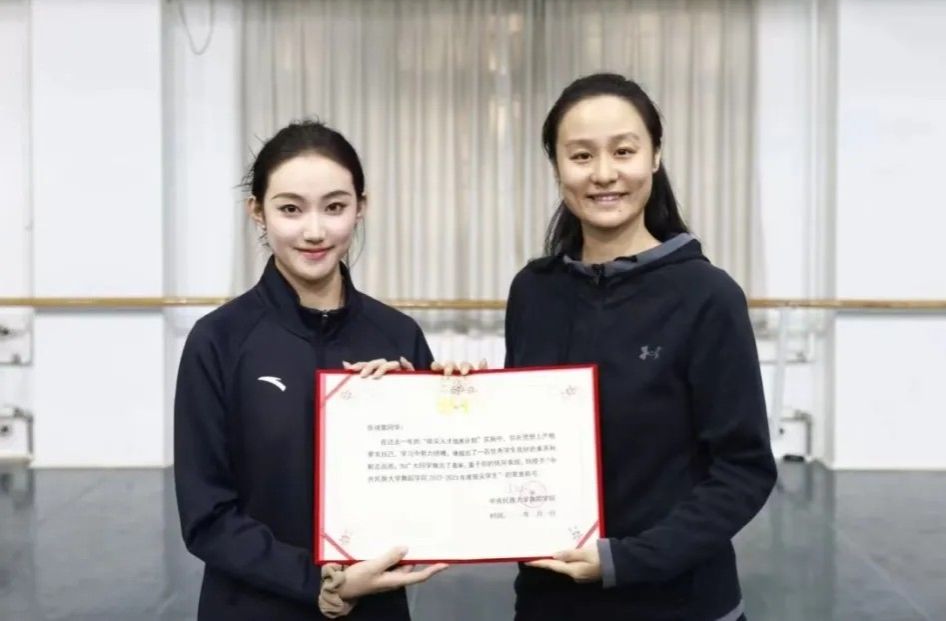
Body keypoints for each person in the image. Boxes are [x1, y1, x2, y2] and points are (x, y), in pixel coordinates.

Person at [504, 74, 777, 621]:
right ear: (557, 167)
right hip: (551, 602)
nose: (604, 173)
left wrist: (625, 561)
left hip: (681, 605)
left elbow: (742, 470)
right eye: (582, 155)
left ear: (655, 156)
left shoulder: (707, 296)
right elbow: (519, 438)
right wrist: (458, 394)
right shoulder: (533, 290)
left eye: (624, 151)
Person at [174, 120, 452, 620]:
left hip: (374, 608)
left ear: (361, 207)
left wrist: (452, 401)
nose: (315, 231)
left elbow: (435, 497)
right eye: (290, 209)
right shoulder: (218, 341)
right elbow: (206, 515)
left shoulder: (397, 336)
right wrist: (320, 583)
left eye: (335, 207)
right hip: (252, 607)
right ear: (257, 211)